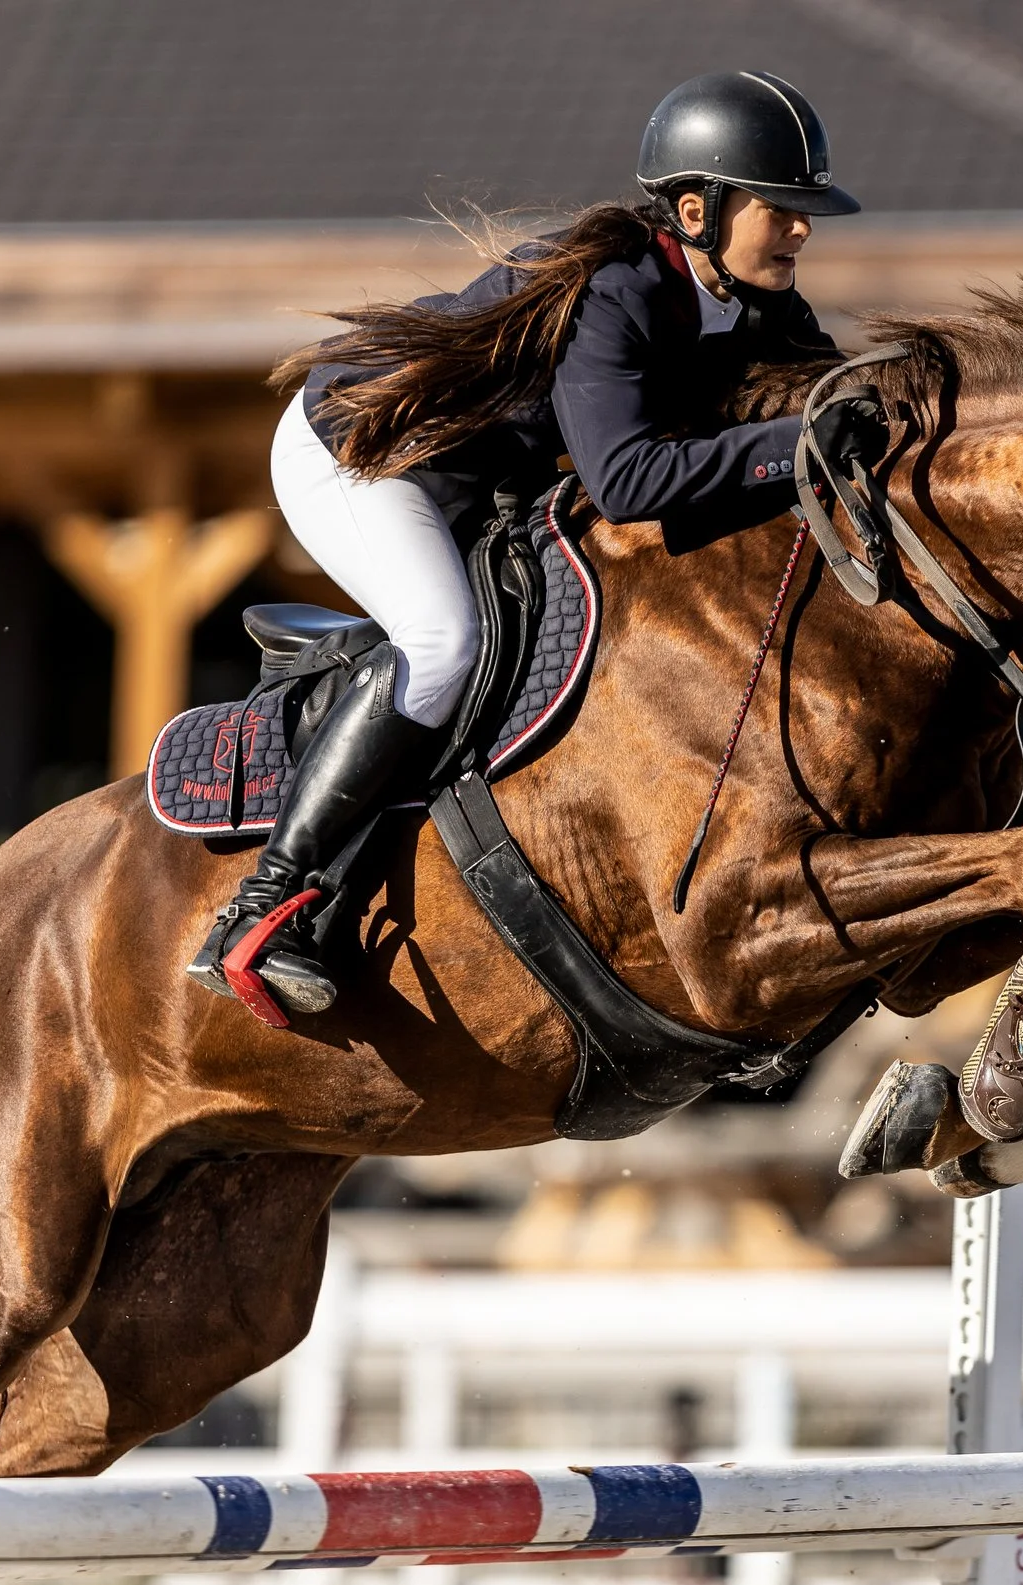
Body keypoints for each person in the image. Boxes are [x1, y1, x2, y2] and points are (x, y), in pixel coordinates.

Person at [188, 72, 890, 1016]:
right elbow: (629, 481)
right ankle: (265, 908)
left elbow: (835, 400)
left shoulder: (761, 303)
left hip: (479, 479)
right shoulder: (617, 291)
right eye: (784, 210)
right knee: (444, 646)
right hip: (361, 454)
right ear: (698, 208)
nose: (804, 230)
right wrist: (798, 441)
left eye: (809, 212)